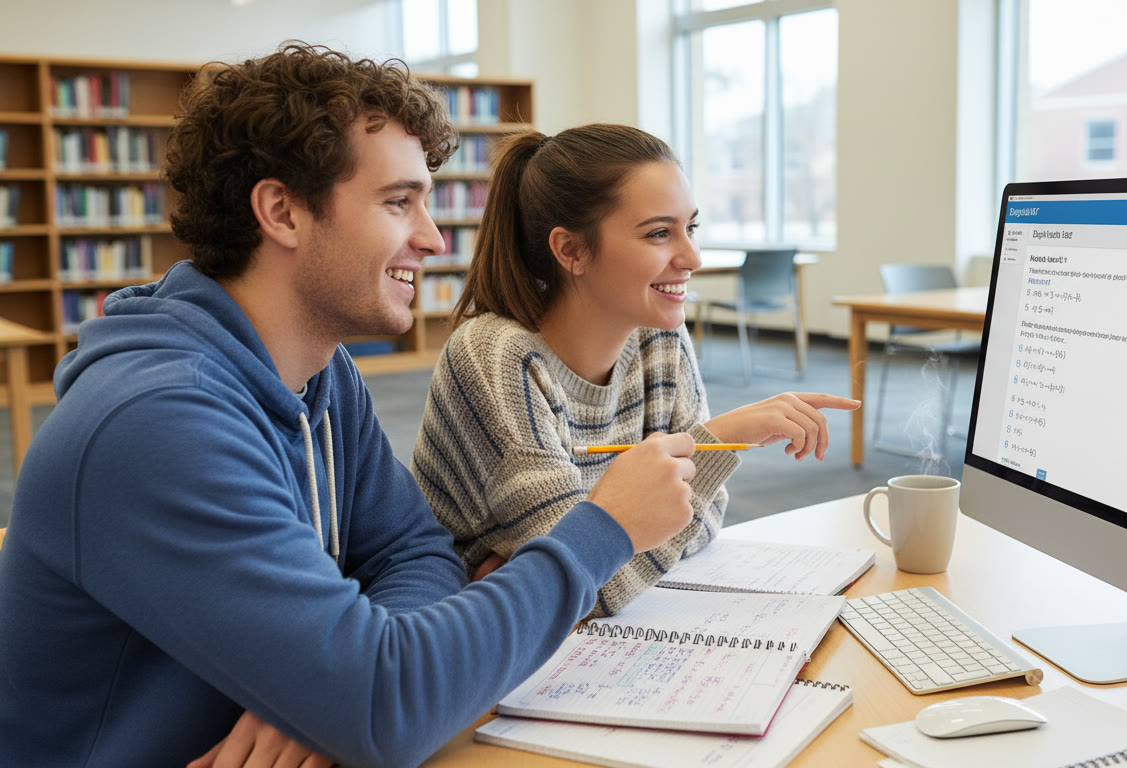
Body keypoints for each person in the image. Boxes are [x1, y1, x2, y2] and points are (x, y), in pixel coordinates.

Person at [0, 44, 701, 768]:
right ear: (282, 212)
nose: (432, 238)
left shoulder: (319, 371)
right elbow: (386, 710)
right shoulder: (158, 424)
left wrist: (322, 695)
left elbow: (414, 551)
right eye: (399, 202)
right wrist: (602, 530)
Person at [412, 124, 860, 616]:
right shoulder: (494, 360)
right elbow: (585, 589)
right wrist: (720, 438)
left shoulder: (659, 336)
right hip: (474, 633)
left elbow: (705, 517)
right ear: (571, 251)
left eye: (691, 228)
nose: (692, 258)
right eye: (659, 233)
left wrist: (593, 554)